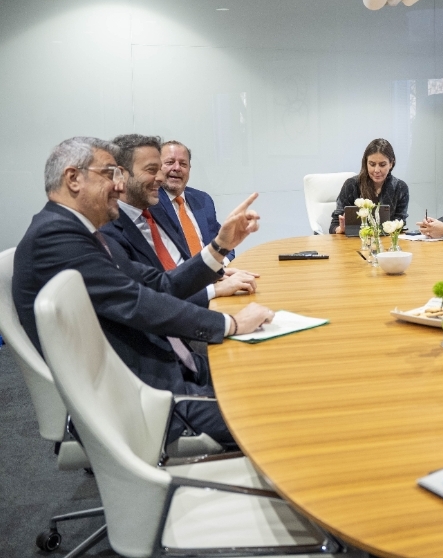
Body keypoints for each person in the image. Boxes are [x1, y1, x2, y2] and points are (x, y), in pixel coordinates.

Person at [13, 137, 274, 445]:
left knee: (273, 379)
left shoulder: (81, 232)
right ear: (73, 178)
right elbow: (138, 303)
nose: (119, 185)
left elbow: (159, 285)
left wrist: (220, 246)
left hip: (167, 370)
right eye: (109, 174)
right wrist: (231, 324)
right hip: (147, 401)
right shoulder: (56, 237)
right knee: (275, 416)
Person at [101, 135, 257, 306]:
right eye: (152, 170)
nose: (161, 177)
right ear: (120, 174)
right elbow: (147, 298)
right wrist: (214, 291)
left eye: (183, 164)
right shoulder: (106, 231)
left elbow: (180, 267)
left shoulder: (156, 210)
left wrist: (213, 272)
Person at [155, 139, 235, 262]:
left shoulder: (203, 200)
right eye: (170, 162)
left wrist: (220, 267)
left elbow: (223, 243)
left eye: (183, 164)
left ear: (189, 169)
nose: (177, 168)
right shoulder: (151, 203)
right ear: (157, 167)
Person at [329, 138, 410, 234]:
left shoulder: (400, 188)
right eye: (372, 164)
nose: (376, 170)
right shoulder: (351, 185)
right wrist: (340, 229)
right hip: (355, 241)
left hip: (386, 241)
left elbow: (400, 224)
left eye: (382, 165)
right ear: (366, 163)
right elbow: (334, 225)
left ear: (391, 164)